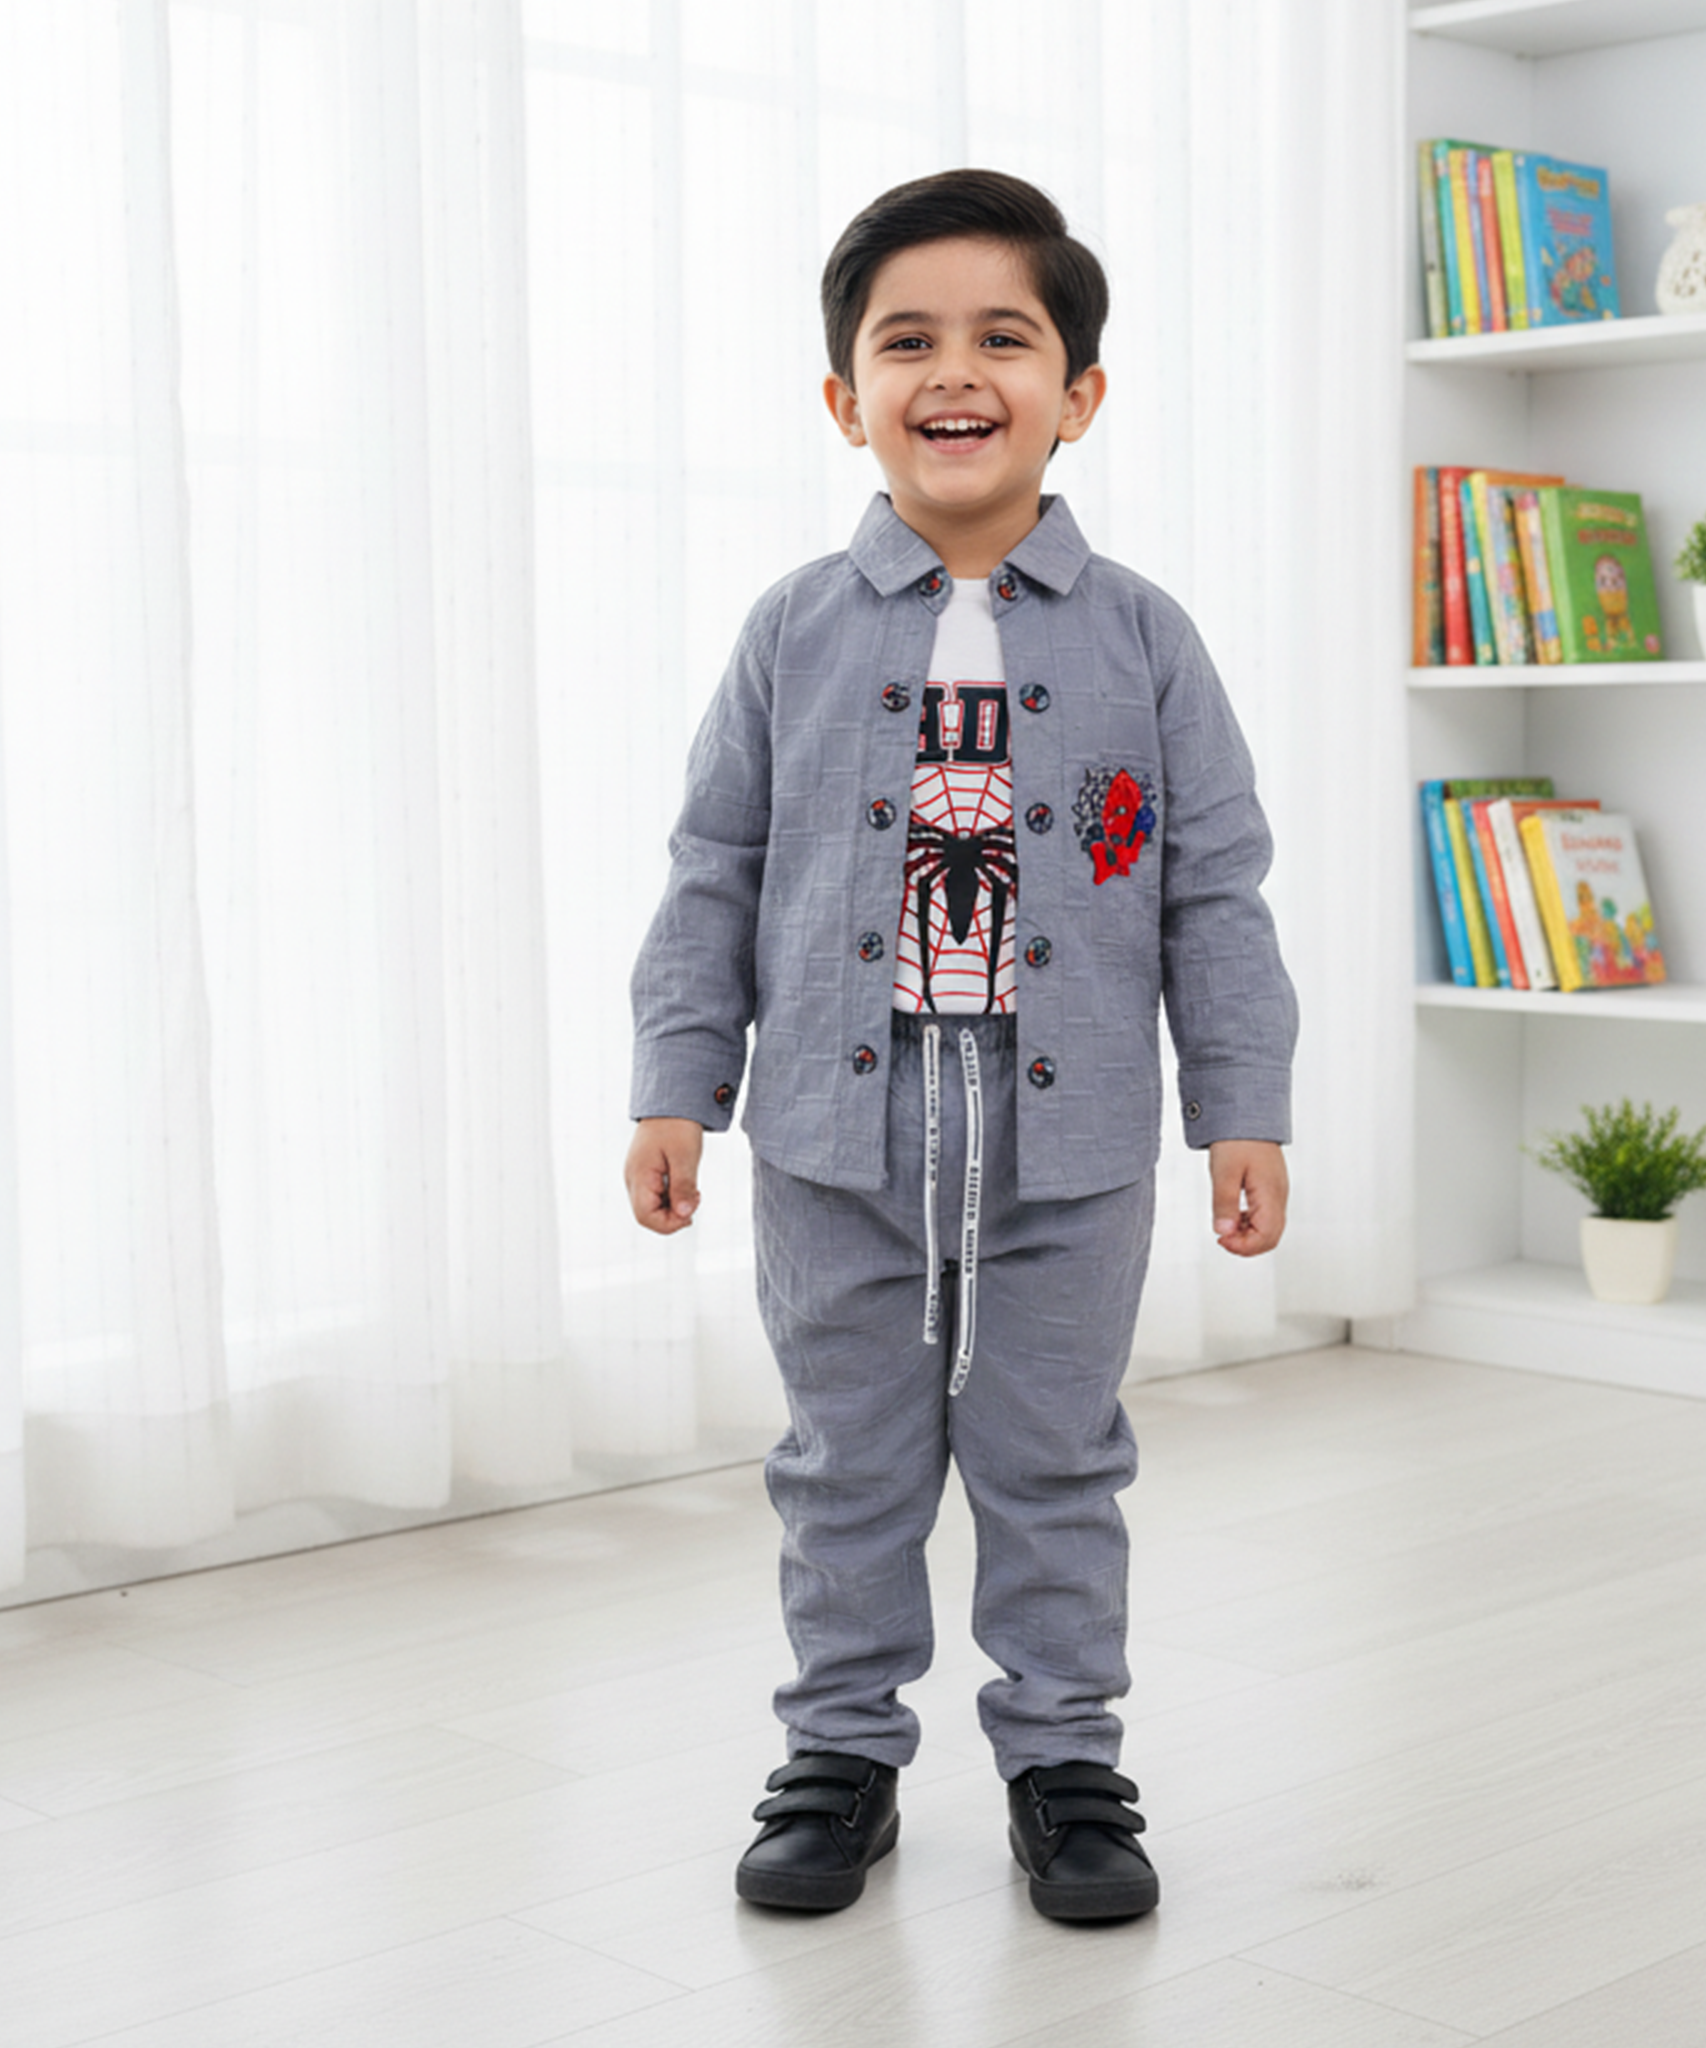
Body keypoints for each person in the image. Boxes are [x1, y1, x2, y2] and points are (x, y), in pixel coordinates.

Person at [624, 169, 1298, 1923]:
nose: (956, 371)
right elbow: (717, 865)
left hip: (1065, 1147)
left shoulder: (1147, 636)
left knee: (1056, 1458)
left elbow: (1214, 887)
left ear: (1077, 393)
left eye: (1005, 336)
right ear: (849, 399)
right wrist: (676, 1084)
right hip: (839, 1138)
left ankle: (1067, 1758)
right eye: (906, 339)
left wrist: (1244, 1105)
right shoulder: (793, 628)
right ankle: (839, 1754)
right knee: (845, 1460)